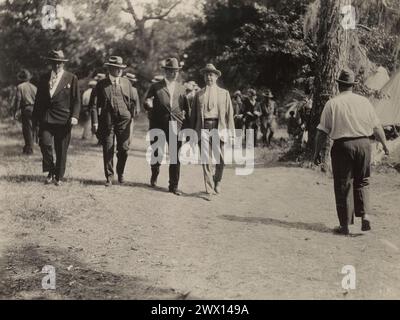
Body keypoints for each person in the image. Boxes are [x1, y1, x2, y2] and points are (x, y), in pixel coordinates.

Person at [313, 69, 389, 235]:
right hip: (364, 144)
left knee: (343, 184)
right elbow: (376, 127)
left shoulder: (332, 104)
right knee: (363, 181)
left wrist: (316, 152)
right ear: (353, 86)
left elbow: (321, 132)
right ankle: (366, 215)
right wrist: (385, 145)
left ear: (339, 84)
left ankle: (345, 225)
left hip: (343, 146)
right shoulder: (364, 102)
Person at [32, 50, 81, 186]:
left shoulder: (71, 78)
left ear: (63, 63)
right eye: (54, 63)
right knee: (45, 144)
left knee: (61, 149)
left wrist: (75, 116)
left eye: (59, 63)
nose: (57, 65)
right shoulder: (44, 78)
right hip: (46, 118)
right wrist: (35, 119)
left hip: (64, 119)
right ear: (51, 63)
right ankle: (50, 170)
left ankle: (58, 176)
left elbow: (76, 100)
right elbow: (38, 100)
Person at [143, 57, 189, 195]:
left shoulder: (182, 88)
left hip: (176, 125)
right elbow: (146, 101)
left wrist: (187, 126)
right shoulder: (156, 86)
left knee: (175, 155)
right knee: (157, 153)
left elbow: (186, 108)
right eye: (171, 71)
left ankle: (173, 186)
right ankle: (155, 173)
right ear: (166, 72)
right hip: (158, 123)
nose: (174, 73)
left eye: (176, 71)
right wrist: (148, 104)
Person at [92, 56, 140, 186]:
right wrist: (95, 122)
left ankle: (121, 173)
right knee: (108, 149)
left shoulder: (126, 83)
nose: (119, 70)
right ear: (109, 68)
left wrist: (131, 114)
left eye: (121, 68)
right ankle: (109, 176)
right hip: (107, 121)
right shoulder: (101, 84)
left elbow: (132, 101)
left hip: (124, 121)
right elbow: (94, 106)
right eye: (116, 68)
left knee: (124, 149)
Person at [190, 63, 235, 201]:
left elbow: (229, 114)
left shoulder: (224, 93)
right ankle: (209, 189)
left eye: (211, 74)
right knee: (206, 160)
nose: (209, 77)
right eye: (206, 74)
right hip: (203, 127)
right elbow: (194, 116)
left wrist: (232, 133)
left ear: (216, 77)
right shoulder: (199, 94)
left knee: (221, 160)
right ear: (204, 77)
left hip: (218, 127)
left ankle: (217, 181)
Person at [14, 69, 37, 155]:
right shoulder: (34, 87)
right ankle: (28, 147)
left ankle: (29, 150)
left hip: (26, 109)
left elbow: (18, 99)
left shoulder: (20, 87)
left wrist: (16, 111)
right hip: (35, 109)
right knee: (33, 129)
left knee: (27, 130)